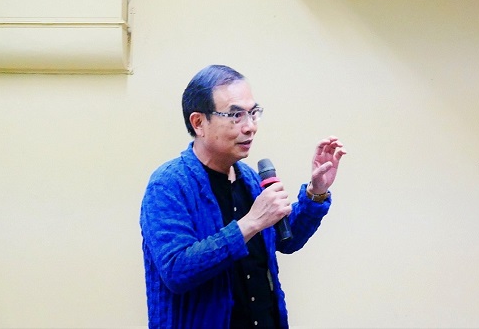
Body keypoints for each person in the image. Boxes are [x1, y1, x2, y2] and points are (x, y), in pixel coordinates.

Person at [140, 65, 346, 329]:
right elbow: (176, 270)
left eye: (253, 113)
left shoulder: (248, 177)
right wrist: (250, 223)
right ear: (199, 123)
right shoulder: (168, 184)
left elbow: (286, 240)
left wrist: (315, 193)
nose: (250, 127)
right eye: (236, 115)